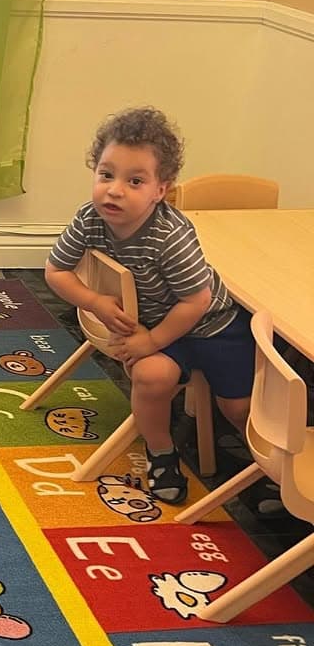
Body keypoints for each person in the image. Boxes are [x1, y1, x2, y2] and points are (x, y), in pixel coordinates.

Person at [45, 105, 257, 506]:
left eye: (135, 180)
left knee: (238, 407)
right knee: (150, 378)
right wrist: (94, 301)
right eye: (106, 174)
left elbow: (197, 301)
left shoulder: (169, 236)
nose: (115, 189)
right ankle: (161, 453)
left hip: (212, 324)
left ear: (161, 189)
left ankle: (260, 470)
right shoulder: (89, 218)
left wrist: (152, 339)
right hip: (156, 326)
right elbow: (56, 271)